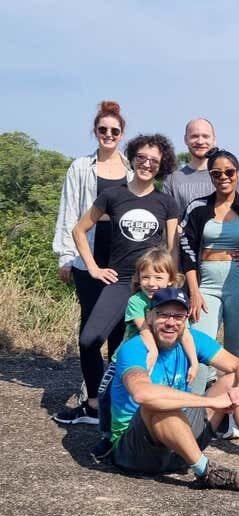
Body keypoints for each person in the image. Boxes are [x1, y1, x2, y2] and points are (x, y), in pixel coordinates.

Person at [110, 287, 239, 492]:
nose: (171, 322)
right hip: (135, 452)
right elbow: (142, 394)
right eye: (163, 315)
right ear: (149, 316)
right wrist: (211, 402)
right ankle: (207, 473)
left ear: (186, 318)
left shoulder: (193, 340)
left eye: (178, 316)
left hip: (179, 449)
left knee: (233, 380)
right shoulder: (134, 348)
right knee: (158, 404)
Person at [53, 134, 180, 424]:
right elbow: (78, 230)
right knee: (89, 340)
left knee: (143, 347)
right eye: (141, 158)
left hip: (154, 284)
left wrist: (171, 285)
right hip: (120, 280)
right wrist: (94, 267)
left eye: (154, 161)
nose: (147, 164)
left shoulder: (166, 202)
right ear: (133, 158)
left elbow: (172, 250)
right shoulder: (113, 195)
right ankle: (95, 406)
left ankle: (137, 409)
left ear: (161, 166)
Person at [52, 101, 133, 413]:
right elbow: (69, 210)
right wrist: (66, 255)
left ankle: (112, 397)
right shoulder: (81, 167)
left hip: (121, 257)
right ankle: (93, 400)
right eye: (103, 130)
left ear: (122, 134)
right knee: (90, 328)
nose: (108, 135)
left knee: (118, 330)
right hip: (88, 256)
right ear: (95, 132)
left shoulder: (130, 169)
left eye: (114, 130)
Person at [180, 147, 239, 438]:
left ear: (237, 175)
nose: (223, 178)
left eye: (229, 172)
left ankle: (235, 415)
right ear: (210, 176)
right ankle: (191, 414)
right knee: (201, 346)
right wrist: (193, 290)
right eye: (216, 174)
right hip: (205, 284)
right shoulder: (198, 208)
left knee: (237, 348)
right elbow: (186, 248)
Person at [91, 247, 198, 459]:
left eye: (158, 277)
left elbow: (186, 334)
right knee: (106, 394)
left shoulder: (175, 301)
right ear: (138, 278)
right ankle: (108, 436)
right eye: (145, 277)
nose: (151, 283)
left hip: (158, 359)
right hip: (126, 359)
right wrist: (153, 351)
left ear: (170, 280)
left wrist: (194, 362)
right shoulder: (136, 301)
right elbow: (145, 328)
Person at [162, 118, 239, 214]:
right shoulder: (172, 180)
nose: (200, 141)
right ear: (185, 139)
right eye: (194, 136)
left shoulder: (231, 175)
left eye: (205, 136)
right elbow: (166, 218)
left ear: (214, 140)